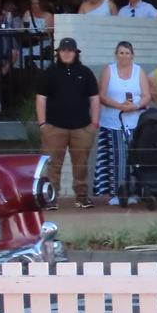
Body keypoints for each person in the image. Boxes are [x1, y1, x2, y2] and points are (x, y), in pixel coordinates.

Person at [36, 37, 100, 208]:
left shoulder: (86, 73)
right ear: (59, 53)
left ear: (75, 53)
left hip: (82, 128)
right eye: (63, 50)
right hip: (54, 128)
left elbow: (94, 99)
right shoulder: (49, 73)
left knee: (81, 165)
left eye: (69, 50)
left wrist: (94, 124)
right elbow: (41, 99)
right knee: (53, 166)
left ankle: (81, 197)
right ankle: (51, 198)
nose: (66, 53)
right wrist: (43, 124)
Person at [94, 41, 150, 206]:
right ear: (116, 54)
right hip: (113, 122)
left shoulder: (139, 71)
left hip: (135, 123)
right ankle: (117, 193)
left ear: (132, 55)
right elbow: (102, 96)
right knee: (116, 159)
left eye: (127, 53)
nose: (124, 56)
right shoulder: (108, 70)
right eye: (121, 53)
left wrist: (136, 106)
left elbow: (146, 95)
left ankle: (134, 192)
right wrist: (119, 106)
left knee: (133, 158)